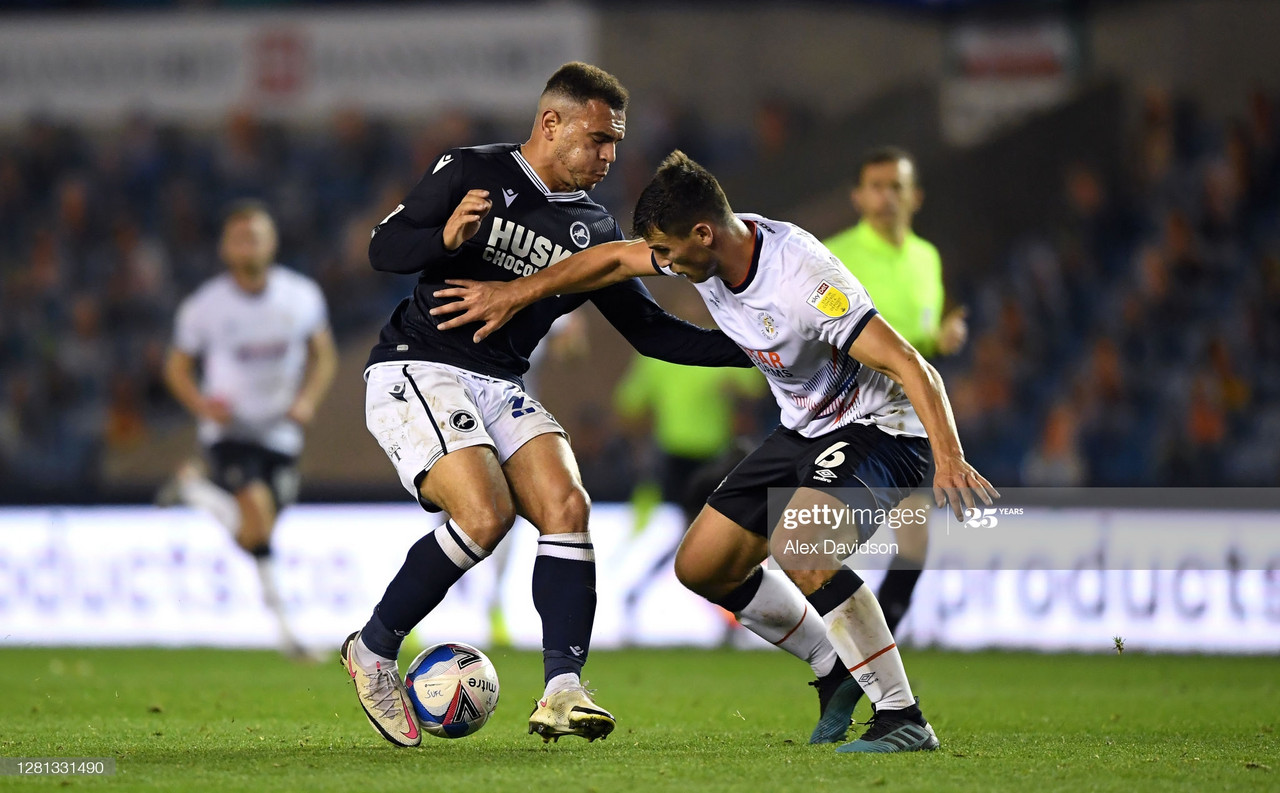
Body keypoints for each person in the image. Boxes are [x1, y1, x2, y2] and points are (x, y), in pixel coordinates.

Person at [431, 150, 998, 753]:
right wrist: (516, 293)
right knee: (701, 564)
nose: (667, 267)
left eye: (672, 254)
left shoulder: (804, 279)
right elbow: (608, 260)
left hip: (882, 427)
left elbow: (914, 366)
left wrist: (949, 457)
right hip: (804, 428)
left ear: (703, 233)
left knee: (803, 544)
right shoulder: (701, 248)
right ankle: (833, 667)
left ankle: (901, 716)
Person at [341, 63, 752, 748]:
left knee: (568, 506)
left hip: (500, 383)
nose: (608, 156)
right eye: (596, 138)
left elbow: (651, 333)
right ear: (551, 123)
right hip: (420, 365)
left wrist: (757, 349)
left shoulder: (591, 227)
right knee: (487, 513)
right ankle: (374, 648)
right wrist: (444, 240)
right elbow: (385, 247)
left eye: (615, 142)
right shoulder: (472, 171)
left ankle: (564, 687)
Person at [160, 201, 337, 658]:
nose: (248, 245)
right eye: (240, 237)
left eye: (256, 236)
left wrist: (307, 401)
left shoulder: (300, 296)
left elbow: (325, 355)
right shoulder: (206, 306)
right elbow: (176, 367)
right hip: (230, 433)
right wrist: (201, 404)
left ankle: (195, 491)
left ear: (272, 242)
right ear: (225, 248)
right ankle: (286, 634)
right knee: (255, 514)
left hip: (281, 435)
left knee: (256, 534)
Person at [822, 147, 967, 654]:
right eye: (876, 186)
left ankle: (866, 658)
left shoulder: (927, 257)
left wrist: (937, 338)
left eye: (896, 186)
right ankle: (837, 653)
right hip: (847, 416)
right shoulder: (834, 255)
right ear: (858, 196)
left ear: (915, 196)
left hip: (907, 420)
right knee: (823, 547)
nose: (886, 197)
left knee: (913, 546)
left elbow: (912, 341)